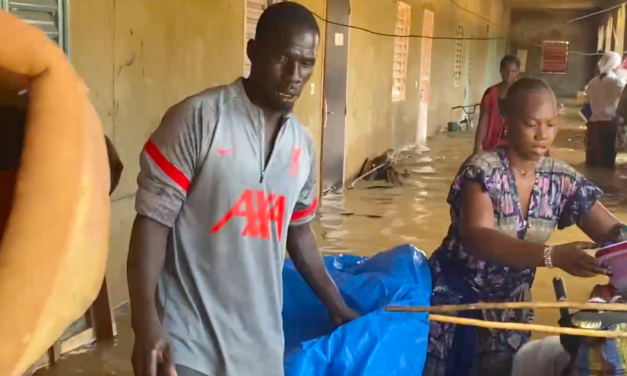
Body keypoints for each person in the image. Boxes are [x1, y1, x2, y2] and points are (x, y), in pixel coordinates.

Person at [126, 3, 359, 376]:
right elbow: (152, 222)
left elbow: (298, 234)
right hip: (189, 344)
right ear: (252, 51)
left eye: (306, 63)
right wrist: (145, 324)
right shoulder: (198, 119)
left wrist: (336, 306)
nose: (294, 76)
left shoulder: (301, 146)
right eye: (282, 58)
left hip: (261, 349)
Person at [424, 77, 622, 376]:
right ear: (507, 122)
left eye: (551, 124)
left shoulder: (561, 179)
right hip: (453, 306)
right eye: (532, 124)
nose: (543, 134)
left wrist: (619, 249)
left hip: (510, 310)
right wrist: (552, 256)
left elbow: (612, 232)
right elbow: (479, 237)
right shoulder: (482, 170)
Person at [584, 51, 626, 168]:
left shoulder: (592, 82)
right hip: (609, 123)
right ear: (615, 65)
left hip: (593, 124)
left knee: (592, 160)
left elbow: (586, 103)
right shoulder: (617, 82)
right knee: (607, 160)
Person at [473, 55, 520, 154]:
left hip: (516, 147)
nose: (508, 74)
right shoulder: (490, 94)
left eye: (513, 71)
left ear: (517, 73)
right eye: (506, 70)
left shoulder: (523, 94)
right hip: (493, 146)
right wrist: (477, 148)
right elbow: (483, 121)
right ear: (500, 71)